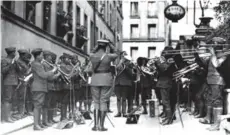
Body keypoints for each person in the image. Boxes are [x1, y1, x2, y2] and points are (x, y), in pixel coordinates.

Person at [87, 39, 118, 131]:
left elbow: (91, 52)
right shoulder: (108, 56)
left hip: (95, 79)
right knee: (103, 101)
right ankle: (101, 126)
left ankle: (95, 125)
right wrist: (110, 44)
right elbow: (116, 53)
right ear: (106, 47)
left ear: (98, 47)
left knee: (96, 101)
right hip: (106, 79)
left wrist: (96, 45)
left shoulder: (92, 56)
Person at [31, 48, 57, 130]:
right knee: (37, 106)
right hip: (38, 87)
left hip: (41, 87)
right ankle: (36, 125)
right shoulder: (36, 64)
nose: (43, 57)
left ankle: (38, 123)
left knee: (39, 106)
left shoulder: (38, 64)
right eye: (41, 55)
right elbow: (43, 75)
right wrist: (53, 70)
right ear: (37, 56)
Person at [155, 46, 177, 125]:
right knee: (166, 101)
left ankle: (169, 119)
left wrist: (160, 61)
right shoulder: (168, 61)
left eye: (164, 52)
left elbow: (163, 69)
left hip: (165, 83)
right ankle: (168, 117)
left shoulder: (169, 62)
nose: (163, 54)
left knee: (166, 102)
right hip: (164, 83)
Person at [42, 50, 60, 127]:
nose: (51, 58)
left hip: (52, 87)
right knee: (46, 104)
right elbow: (49, 77)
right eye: (50, 57)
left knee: (52, 103)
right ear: (46, 57)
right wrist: (57, 74)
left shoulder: (50, 65)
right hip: (47, 86)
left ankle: (50, 119)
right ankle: (45, 121)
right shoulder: (44, 65)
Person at [1, 47, 19, 123]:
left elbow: (18, 70)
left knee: (11, 99)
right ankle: (6, 117)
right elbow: (3, 71)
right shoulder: (4, 60)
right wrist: (11, 64)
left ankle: (9, 116)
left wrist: (16, 63)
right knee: (7, 99)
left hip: (14, 82)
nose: (15, 54)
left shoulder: (14, 61)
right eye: (14, 52)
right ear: (10, 53)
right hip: (8, 82)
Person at [14, 49, 32, 119]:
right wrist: (30, 68)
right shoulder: (18, 62)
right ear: (22, 55)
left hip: (26, 81)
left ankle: (25, 111)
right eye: (25, 56)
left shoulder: (25, 62)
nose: (27, 57)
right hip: (21, 82)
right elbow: (23, 72)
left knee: (27, 97)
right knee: (21, 97)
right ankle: (20, 112)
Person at [114, 53, 133, 117]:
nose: (123, 59)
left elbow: (131, 75)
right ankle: (119, 112)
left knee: (124, 98)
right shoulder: (118, 65)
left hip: (125, 84)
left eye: (124, 58)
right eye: (122, 57)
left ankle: (124, 112)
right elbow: (115, 71)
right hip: (118, 83)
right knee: (118, 98)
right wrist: (120, 64)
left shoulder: (130, 66)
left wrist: (127, 67)